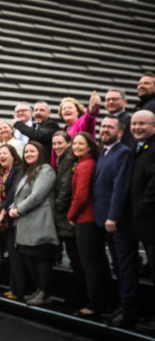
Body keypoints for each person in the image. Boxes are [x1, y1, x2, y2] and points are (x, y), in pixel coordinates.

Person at [92, 116, 138, 327]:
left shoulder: (124, 153)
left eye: (110, 127)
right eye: (103, 127)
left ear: (120, 132)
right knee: (117, 266)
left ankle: (129, 311)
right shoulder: (104, 152)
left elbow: (120, 187)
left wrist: (113, 216)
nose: (105, 130)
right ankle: (121, 306)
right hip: (103, 220)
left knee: (125, 266)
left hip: (116, 221)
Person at [67, 132, 111, 317]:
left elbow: (81, 196)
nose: (76, 146)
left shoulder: (86, 165)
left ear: (90, 146)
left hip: (85, 220)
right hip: (89, 220)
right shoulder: (84, 163)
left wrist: (71, 215)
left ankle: (94, 306)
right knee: (97, 263)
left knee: (90, 266)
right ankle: (103, 302)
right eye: (74, 143)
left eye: (81, 143)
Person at [9, 142, 58, 306]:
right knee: (30, 258)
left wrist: (18, 210)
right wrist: (12, 207)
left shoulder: (46, 170)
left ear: (40, 152)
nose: (28, 154)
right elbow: (19, 195)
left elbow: (37, 195)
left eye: (32, 151)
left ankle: (45, 293)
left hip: (39, 222)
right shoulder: (27, 171)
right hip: (25, 224)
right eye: (26, 151)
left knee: (41, 259)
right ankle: (39, 290)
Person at [51, 131, 86, 311]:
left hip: (67, 217)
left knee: (76, 259)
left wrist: (56, 207)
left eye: (60, 143)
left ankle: (78, 299)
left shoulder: (68, 159)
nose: (56, 146)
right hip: (65, 216)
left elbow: (65, 188)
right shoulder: (63, 158)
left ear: (69, 143)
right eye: (54, 143)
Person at [0, 144, 26, 300]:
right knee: (11, 255)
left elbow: (12, 194)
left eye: (5, 153)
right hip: (1, 220)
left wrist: (2, 214)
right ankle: (13, 288)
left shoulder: (17, 170)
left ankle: (19, 291)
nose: (1, 156)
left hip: (11, 219)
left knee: (15, 256)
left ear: (13, 155)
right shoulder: (1, 172)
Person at [129, 110, 155, 331]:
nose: (137, 127)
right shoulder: (139, 148)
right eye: (134, 123)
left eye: (142, 124)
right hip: (144, 222)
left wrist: (141, 210)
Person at [54, 91, 100, 166]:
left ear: (78, 111)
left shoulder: (81, 122)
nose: (66, 110)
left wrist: (92, 108)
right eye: (64, 109)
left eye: (70, 107)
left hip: (83, 164)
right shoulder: (64, 130)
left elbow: (89, 120)